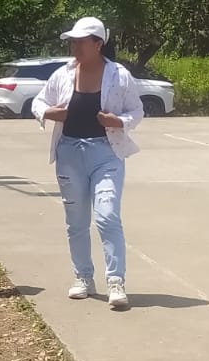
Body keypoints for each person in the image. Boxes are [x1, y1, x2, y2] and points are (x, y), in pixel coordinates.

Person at [31, 16, 143, 311]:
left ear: (98, 44)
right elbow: (38, 103)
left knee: (107, 216)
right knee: (76, 221)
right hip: (69, 154)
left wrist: (118, 121)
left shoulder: (118, 75)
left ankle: (116, 281)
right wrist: (49, 113)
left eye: (82, 42)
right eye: (73, 42)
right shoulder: (63, 74)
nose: (76, 47)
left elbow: (137, 110)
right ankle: (83, 278)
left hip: (106, 154)